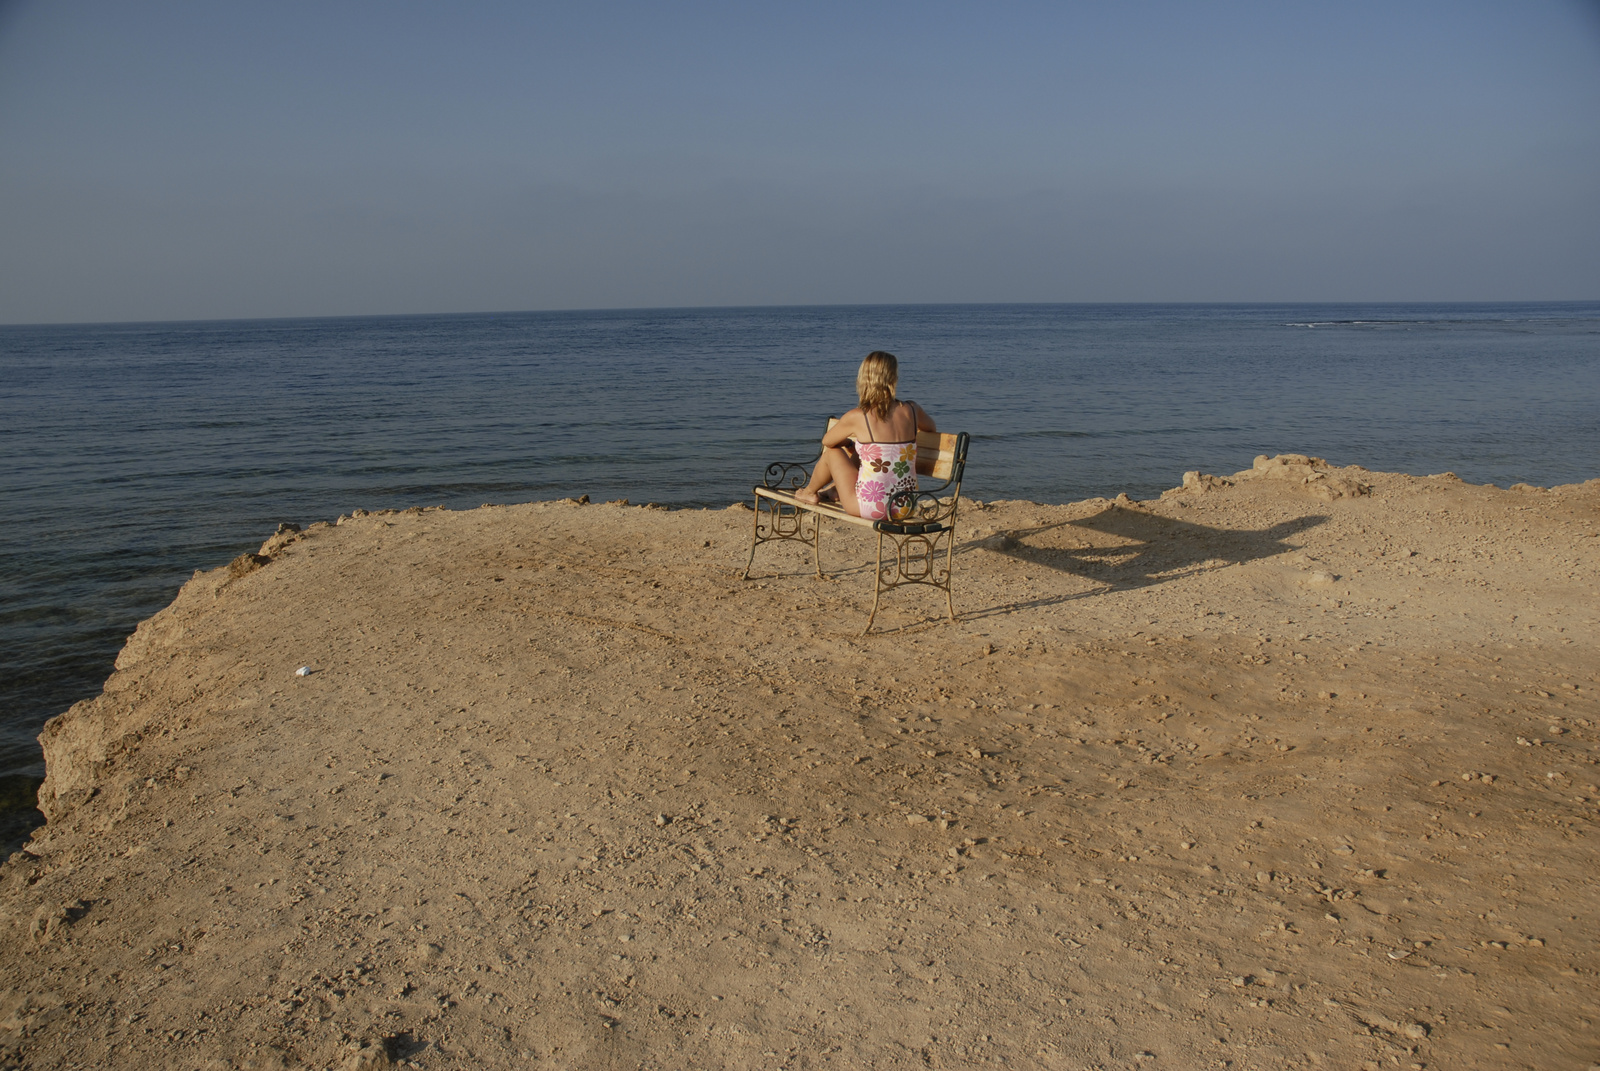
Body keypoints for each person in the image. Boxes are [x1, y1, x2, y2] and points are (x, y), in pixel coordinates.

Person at [793, 351, 937, 521]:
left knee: (832, 453)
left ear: (864, 379)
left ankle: (809, 492)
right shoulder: (912, 409)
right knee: (865, 454)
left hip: (871, 508)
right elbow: (930, 427)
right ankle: (834, 490)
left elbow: (827, 441)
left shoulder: (858, 416)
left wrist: (847, 442)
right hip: (905, 507)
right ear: (893, 378)